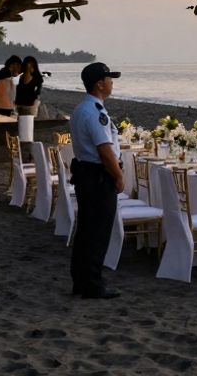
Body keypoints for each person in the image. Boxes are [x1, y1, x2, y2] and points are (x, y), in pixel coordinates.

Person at [69, 62, 125, 300]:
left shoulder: (84, 108)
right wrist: (119, 176)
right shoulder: (95, 112)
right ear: (99, 84)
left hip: (87, 174)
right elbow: (104, 150)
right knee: (97, 231)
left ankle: (82, 280)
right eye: (109, 79)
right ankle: (92, 282)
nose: (112, 83)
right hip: (97, 177)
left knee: (86, 230)